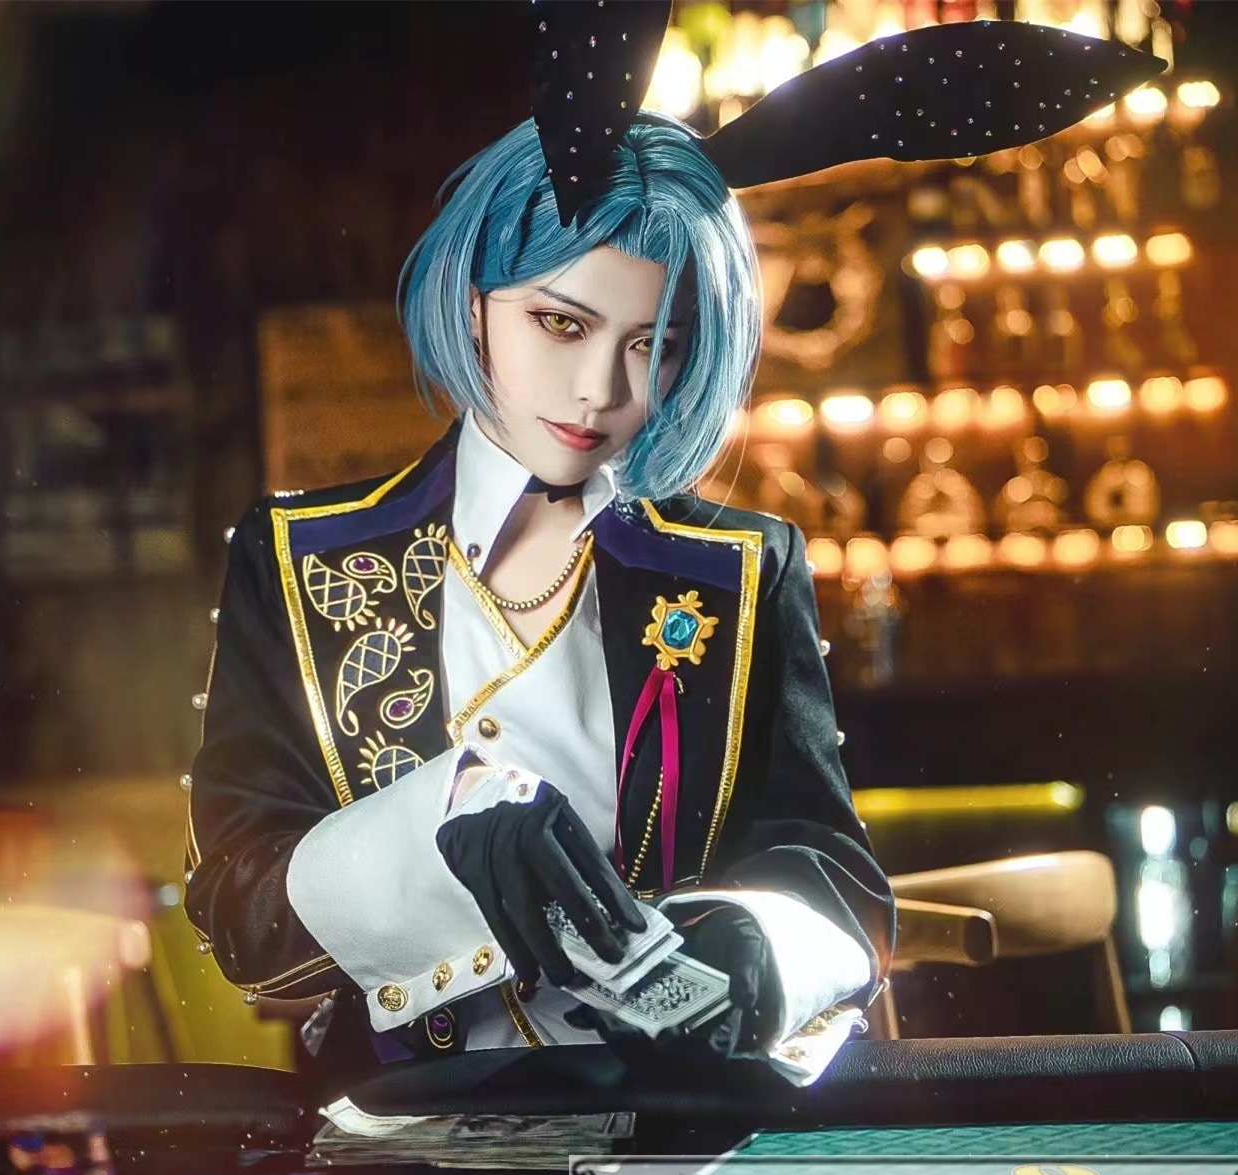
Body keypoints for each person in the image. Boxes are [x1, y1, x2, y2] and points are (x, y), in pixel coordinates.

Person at [182, 3, 1160, 1093]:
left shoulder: (736, 569)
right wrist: (432, 837)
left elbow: (832, 876)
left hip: (688, 1125)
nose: (600, 391)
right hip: (403, 1141)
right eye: (561, 323)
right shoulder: (301, 559)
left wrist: (753, 952)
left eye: (656, 344)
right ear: (474, 302)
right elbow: (237, 910)